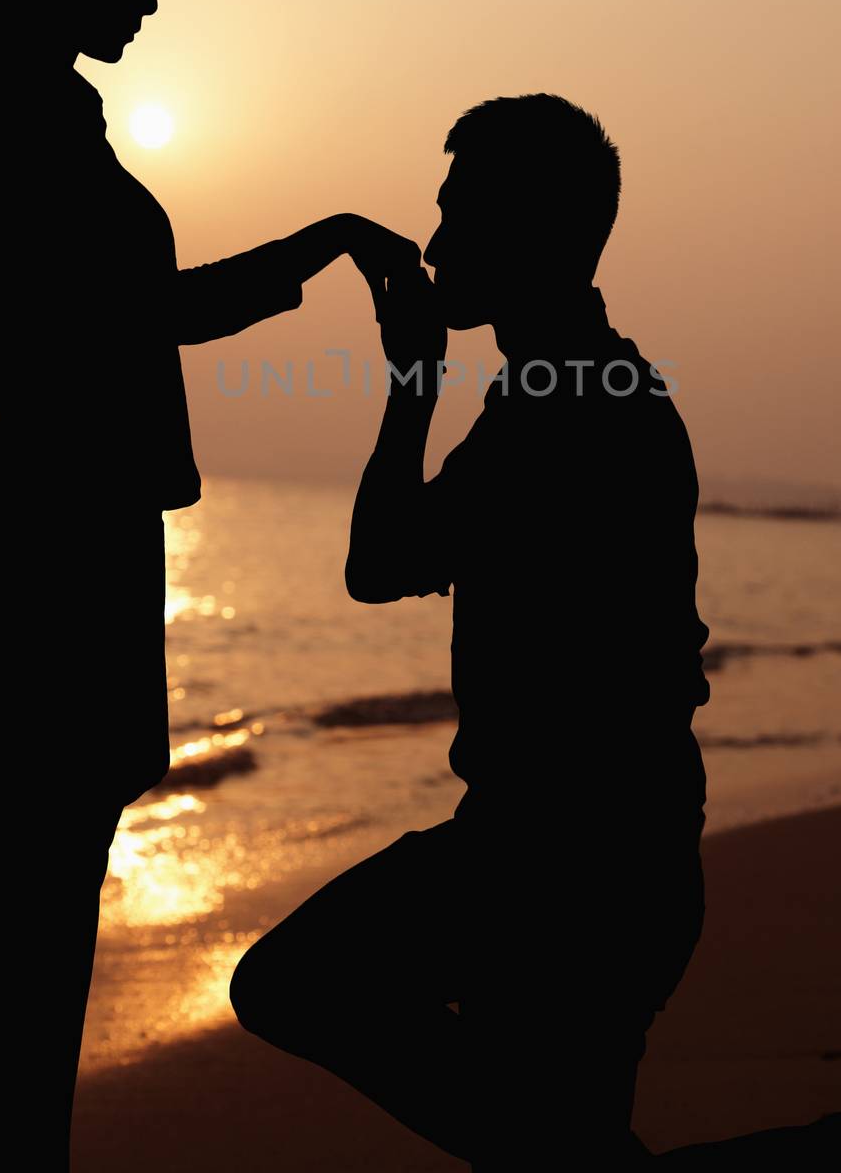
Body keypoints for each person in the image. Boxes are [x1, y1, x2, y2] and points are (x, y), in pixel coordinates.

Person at [0, 0, 415, 1172]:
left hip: (80, 513)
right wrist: (331, 244)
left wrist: (329, 243)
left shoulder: (33, 106)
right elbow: (143, 311)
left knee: (51, 871)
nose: (147, 1)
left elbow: (141, 315)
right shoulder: (18, 111)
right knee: (35, 878)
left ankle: (32, 1157)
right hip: (54, 521)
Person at [230, 93, 711, 1169]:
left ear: (524, 232)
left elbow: (377, 563)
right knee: (556, 1142)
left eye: (457, 217)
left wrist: (410, 388)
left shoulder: (568, 411)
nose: (437, 244)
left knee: (290, 984)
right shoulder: (574, 391)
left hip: (562, 866)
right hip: (607, 856)